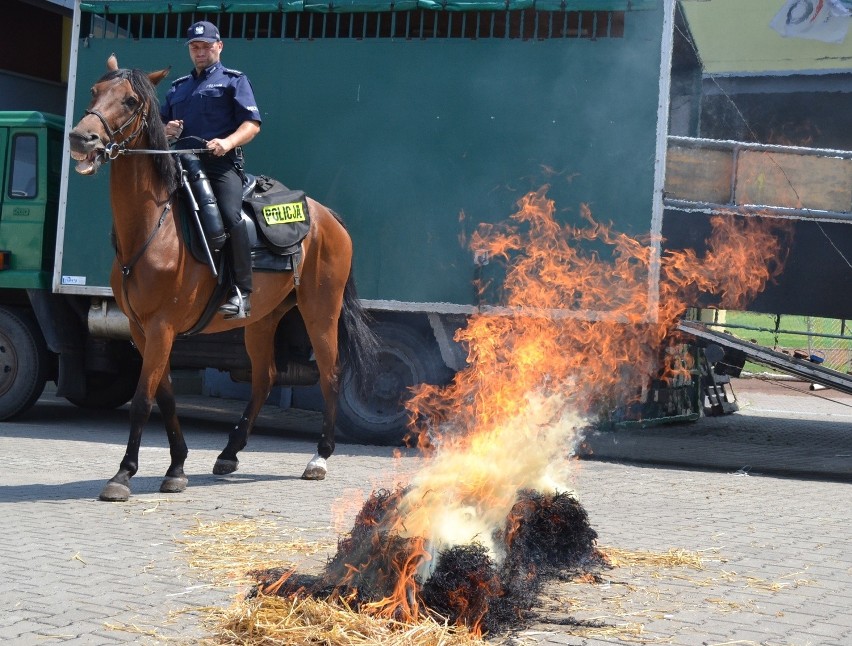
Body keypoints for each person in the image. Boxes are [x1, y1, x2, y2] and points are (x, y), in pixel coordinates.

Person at [161, 20, 262, 319]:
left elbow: (252, 124)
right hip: (179, 165)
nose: (200, 52)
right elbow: (160, 127)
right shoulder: (178, 87)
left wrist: (228, 142)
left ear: (219, 46)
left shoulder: (234, 80)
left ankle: (242, 292)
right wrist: (166, 129)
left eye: (206, 46)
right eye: (195, 47)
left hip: (219, 165)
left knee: (232, 217)